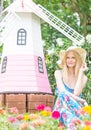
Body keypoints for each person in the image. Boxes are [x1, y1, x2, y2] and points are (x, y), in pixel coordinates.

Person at [53, 46, 88, 130]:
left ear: (77, 60)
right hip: (61, 108)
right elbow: (63, 93)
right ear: (65, 60)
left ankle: (81, 120)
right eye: (68, 58)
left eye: (73, 58)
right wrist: (82, 100)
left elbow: (76, 93)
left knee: (69, 116)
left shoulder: (84, 78)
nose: (70, 60)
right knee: (64, 108)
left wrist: (80, 73)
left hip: (75, 110)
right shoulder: (58, 73)